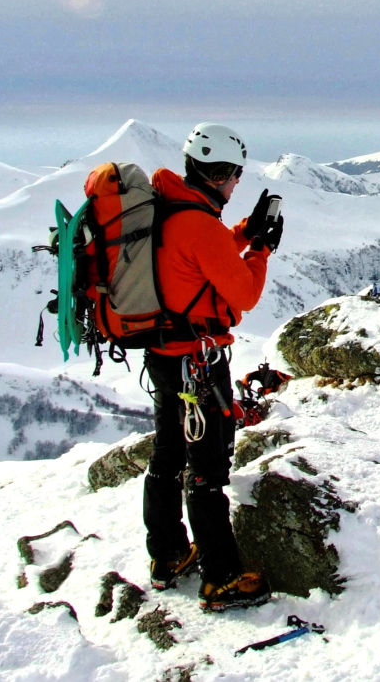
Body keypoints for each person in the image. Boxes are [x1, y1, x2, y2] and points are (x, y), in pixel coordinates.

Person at [142, 122, 283, 611]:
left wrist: (245, 231)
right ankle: (220, 577)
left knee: (167, 453)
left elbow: (207, 249)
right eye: (235, 176)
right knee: (206, 466)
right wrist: (262, 250)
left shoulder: (170, 207)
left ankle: (167, 555)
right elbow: (242, 293)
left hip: (163, 354)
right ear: (221, 174)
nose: (236, 185)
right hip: (197, 363)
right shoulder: (198, 224)